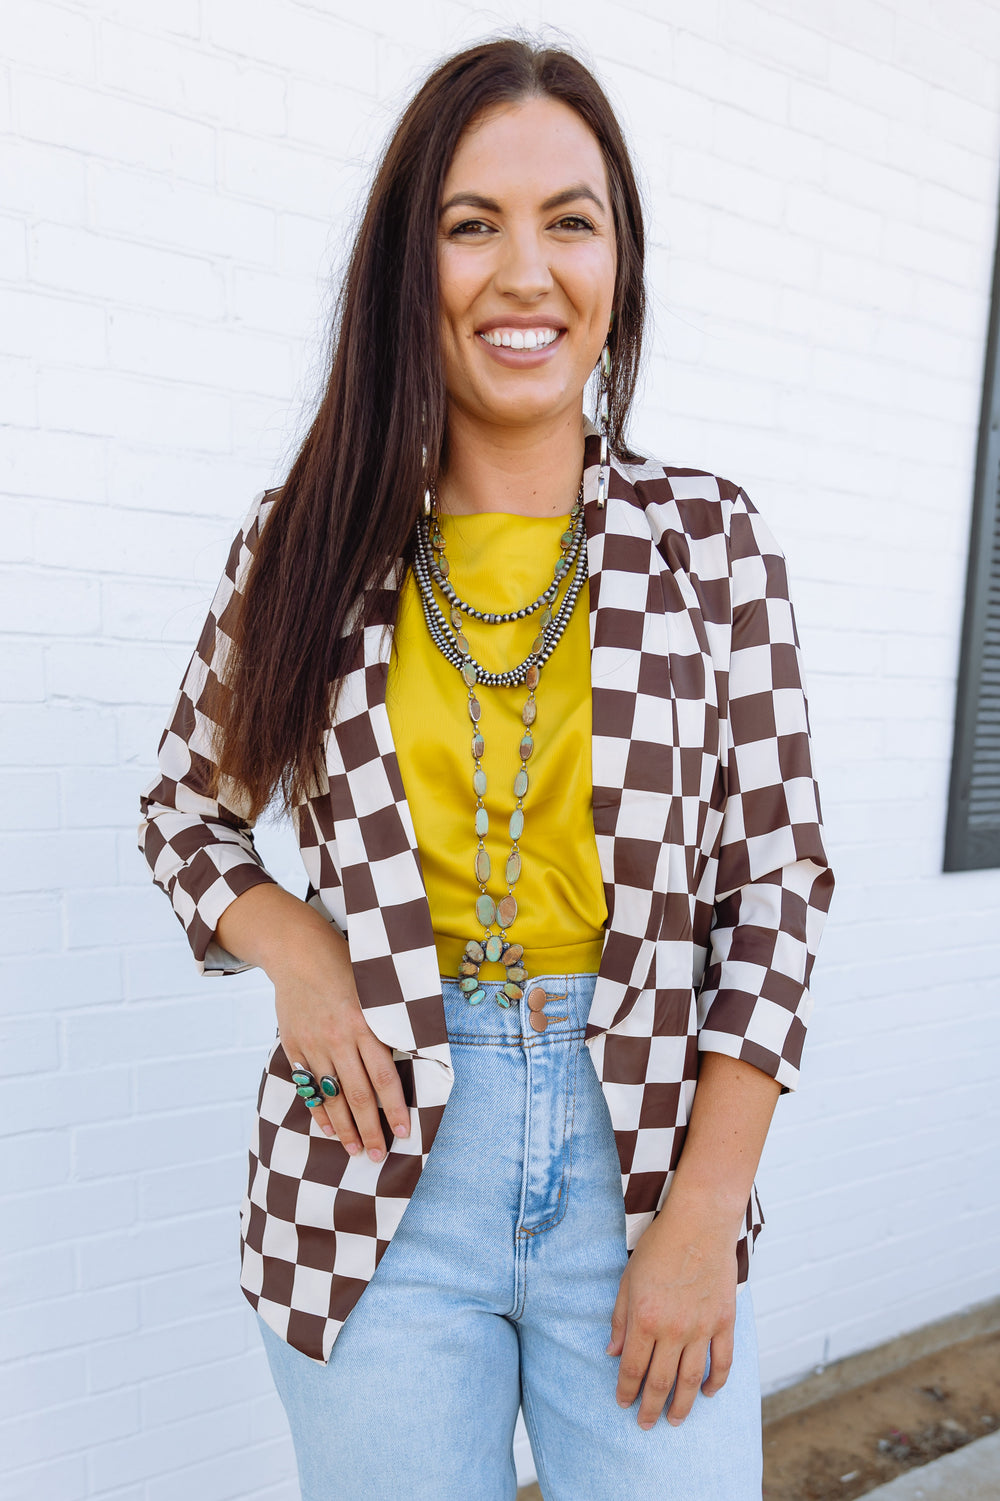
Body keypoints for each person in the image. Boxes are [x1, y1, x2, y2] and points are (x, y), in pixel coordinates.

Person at [139, 35, 834, 1501]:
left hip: (640, 1164)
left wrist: (705, 1211)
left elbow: (779, 887)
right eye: (474, 225)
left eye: (569, 221)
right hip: (371, 1185)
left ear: (618, 266)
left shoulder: (708, 545)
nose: (526, 271)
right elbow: (183, 812)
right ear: (416, 266)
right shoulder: (309, 540)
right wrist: (302, 954)